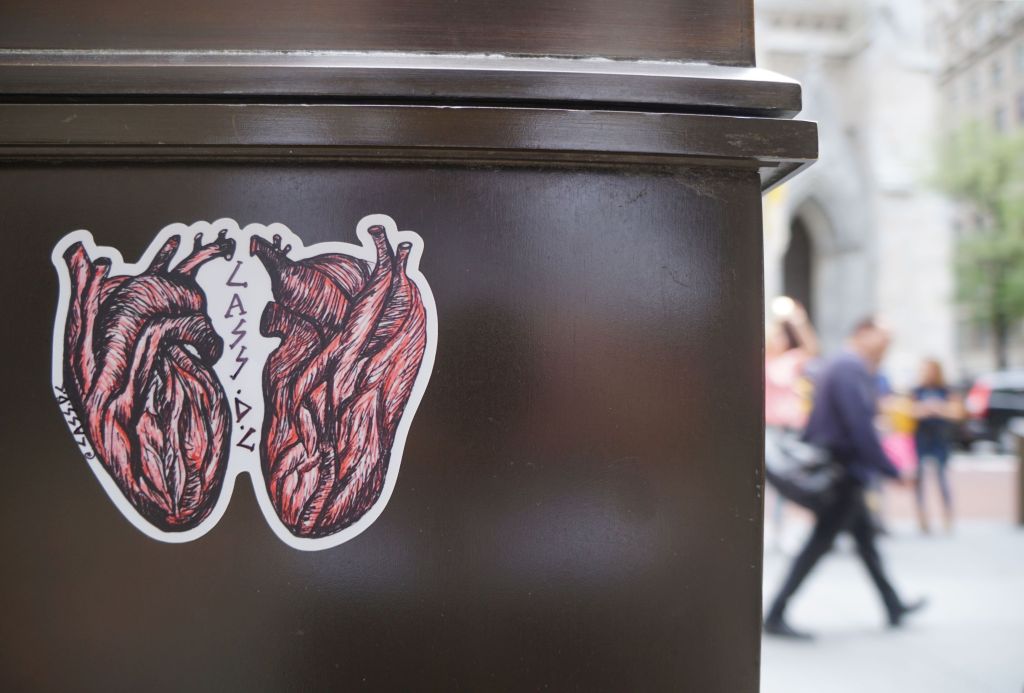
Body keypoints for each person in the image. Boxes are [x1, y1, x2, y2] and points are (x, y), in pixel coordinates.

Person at [764, 317, 926, 639]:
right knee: (820, 543)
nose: (887, 344)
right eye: (883, 336)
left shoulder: (842, 365)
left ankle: (892, 604)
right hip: (842, 473)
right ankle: (776, 612)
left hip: (843, 471)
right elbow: (859, 427)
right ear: (863, 333)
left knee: (864, 542)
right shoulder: (849, 367)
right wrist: (892, 471)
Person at [911, 359, 961, 534]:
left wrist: (940, 409)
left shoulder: (946, 390)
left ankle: (947, 515)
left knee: (942, 478)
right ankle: (922, 517)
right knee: (919, 479)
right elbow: (907, 411)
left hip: (940, 438)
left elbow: (958, 412)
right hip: (921, 438)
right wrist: (922, 410)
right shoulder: (917, 391)